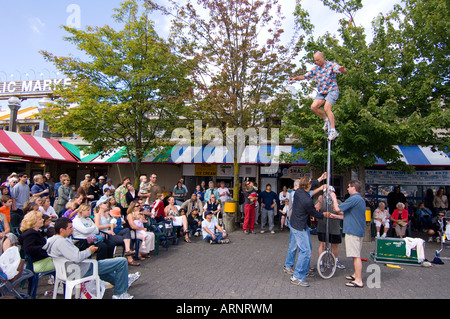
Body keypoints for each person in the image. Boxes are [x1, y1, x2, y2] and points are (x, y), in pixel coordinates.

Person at [43, 217, 140, 299]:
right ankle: (120, 293)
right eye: (70, 228)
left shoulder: (52, 241)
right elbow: (77, 257)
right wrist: (90, 251)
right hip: (80, 269)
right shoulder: (62, 242)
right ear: (61, 230)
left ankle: (123, 283)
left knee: (105, 269)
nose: (72, 229)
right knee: (121, 262)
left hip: (68, 270)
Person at [289, 51, 347, 141]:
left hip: (332, 91)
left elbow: (341, 70)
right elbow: (305, 76)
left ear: (323, 58)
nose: (317, 62)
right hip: (322, 93)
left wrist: (343, 70)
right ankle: (326, 120)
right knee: (313, 107)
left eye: (318, 60)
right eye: (315, 61)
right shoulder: (315, 69)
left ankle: (333, 130)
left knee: (327, 108)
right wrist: (295, 78)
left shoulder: (331, 65)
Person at [284, 177, 326, 287]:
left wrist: (321, 178)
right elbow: (314, 212)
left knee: (307, 248)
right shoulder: (306, 200)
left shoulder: (298, 191)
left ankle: (304, 270)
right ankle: (297, 276)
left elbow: (312, 187)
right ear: (307, 186)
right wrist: (323, 215)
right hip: (299, 226)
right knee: (305, 251)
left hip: (299, 224)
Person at [329, 180, 366, 288]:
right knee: (355, 254)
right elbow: (347, 215)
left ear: (354, 188)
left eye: (349, 187)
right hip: (357, 230)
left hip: (353, 231)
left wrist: (334, 198)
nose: (347, 188)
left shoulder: (353, 199)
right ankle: (356, 274)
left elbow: (337, 209)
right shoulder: (360, 200)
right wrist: (335, 216)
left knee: (356, 256)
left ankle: (358, 280)